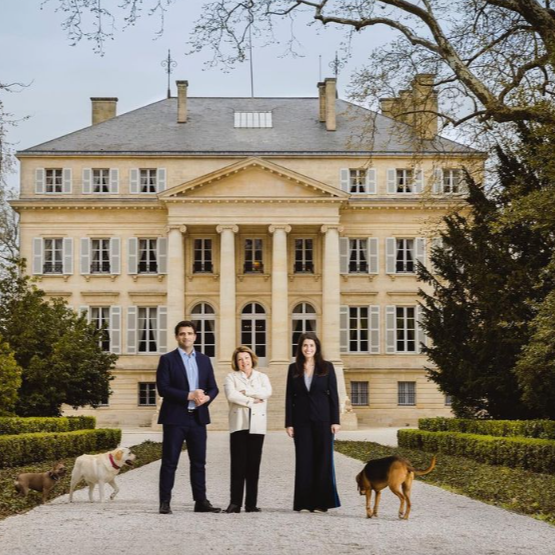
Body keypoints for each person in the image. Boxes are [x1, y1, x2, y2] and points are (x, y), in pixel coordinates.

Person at [156, 320, 221, 514]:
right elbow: (163, 388)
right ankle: (165, 502)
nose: (186, 337)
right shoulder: (167, 359)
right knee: (170, 462)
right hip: (175, 418)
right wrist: (189, 395)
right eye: (182, 333)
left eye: (190, 333)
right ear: (177, 337)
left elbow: (214, 387)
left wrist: (207, 397)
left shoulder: (204, 359)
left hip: (198, 418)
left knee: (199, 462)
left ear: (195, 336)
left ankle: (200, 501)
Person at [285, 331, 341, 513]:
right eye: (305, 345)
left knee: (323, 460)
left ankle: (321, 502)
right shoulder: (293, 369)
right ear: (300, 348)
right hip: (301, 421)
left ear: (316, 348)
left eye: (311, 345)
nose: (308, 349)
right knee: (303, 460)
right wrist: (289, 423)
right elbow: (289, 397)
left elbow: (334, 395)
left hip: (323, 420)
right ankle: (303, 502)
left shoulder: (327, 367)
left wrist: (335, 420)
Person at [223, 345, 272, 513]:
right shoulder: (231, 377)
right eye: (240, 359)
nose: (244, 362)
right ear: (236, 363)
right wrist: (251, 400)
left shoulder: (262, 377)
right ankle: (235, 503)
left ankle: (251, 504)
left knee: (253, 465)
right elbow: (232, 395)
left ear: (252, 359)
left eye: (246, 358)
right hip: (239, 424)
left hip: (258, 425)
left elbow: (267, 392)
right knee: (237, 465)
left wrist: (245, 392)